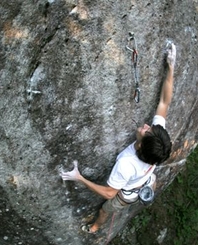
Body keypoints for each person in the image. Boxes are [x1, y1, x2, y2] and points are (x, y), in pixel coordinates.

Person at [60, 43, 176, 234]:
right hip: (146, 176)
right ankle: (150, 185)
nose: (147, 126)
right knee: (150, 178)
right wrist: (171, 67)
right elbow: (165, 101)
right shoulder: (157, 144)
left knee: (106, 210)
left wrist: (79, 177)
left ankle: (96, 227)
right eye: (150, 128)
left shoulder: (126, 163)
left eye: (146, 131)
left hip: (128, 192)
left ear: (140, 146)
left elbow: (109, 193)